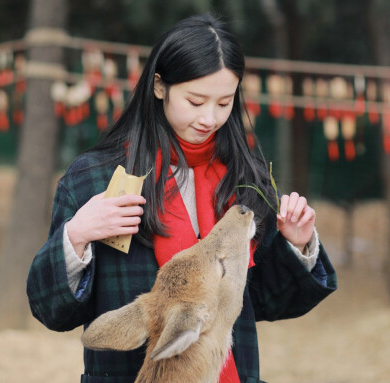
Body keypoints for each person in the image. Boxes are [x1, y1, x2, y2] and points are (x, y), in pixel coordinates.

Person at [27, 13, 337, 383]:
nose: (209, 118)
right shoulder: (93, 179)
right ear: (159, 87)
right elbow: (51, 311)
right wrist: (76, 236)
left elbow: (269, 302)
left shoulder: (246, 180)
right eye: (195, 101)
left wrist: (299, 246)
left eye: (224, 103)